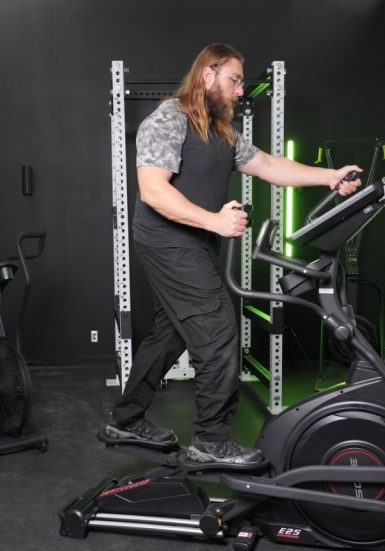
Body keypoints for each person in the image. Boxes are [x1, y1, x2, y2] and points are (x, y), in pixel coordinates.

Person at [106, 43, 362, 464]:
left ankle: (126, 418)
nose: (240, 90)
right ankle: (211, 440)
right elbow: (153, 191)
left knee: (170, 334)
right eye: (235, 80)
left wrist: (329, 177)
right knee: (220, 328)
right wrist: (214, 222)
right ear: (208, 75)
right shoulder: (170, 119)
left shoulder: (222, 131)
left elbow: (268, 166)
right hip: (167, 239)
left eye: (242, 82)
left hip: (195, 240)